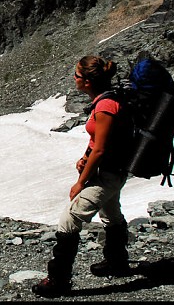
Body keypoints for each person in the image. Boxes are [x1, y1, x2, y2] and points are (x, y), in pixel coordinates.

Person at [32, 55, 131, 298]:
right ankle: (117, 262)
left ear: (86, 81)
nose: (74, 79)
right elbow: (96, 142)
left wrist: (81, 182)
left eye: (76, 75)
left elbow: (101, 148)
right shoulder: (104, 101)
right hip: (112, 171)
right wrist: (84, 158)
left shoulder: (106, 106)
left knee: (69, 219)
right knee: (111, 213)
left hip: (107, 174)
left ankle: (58, 280)